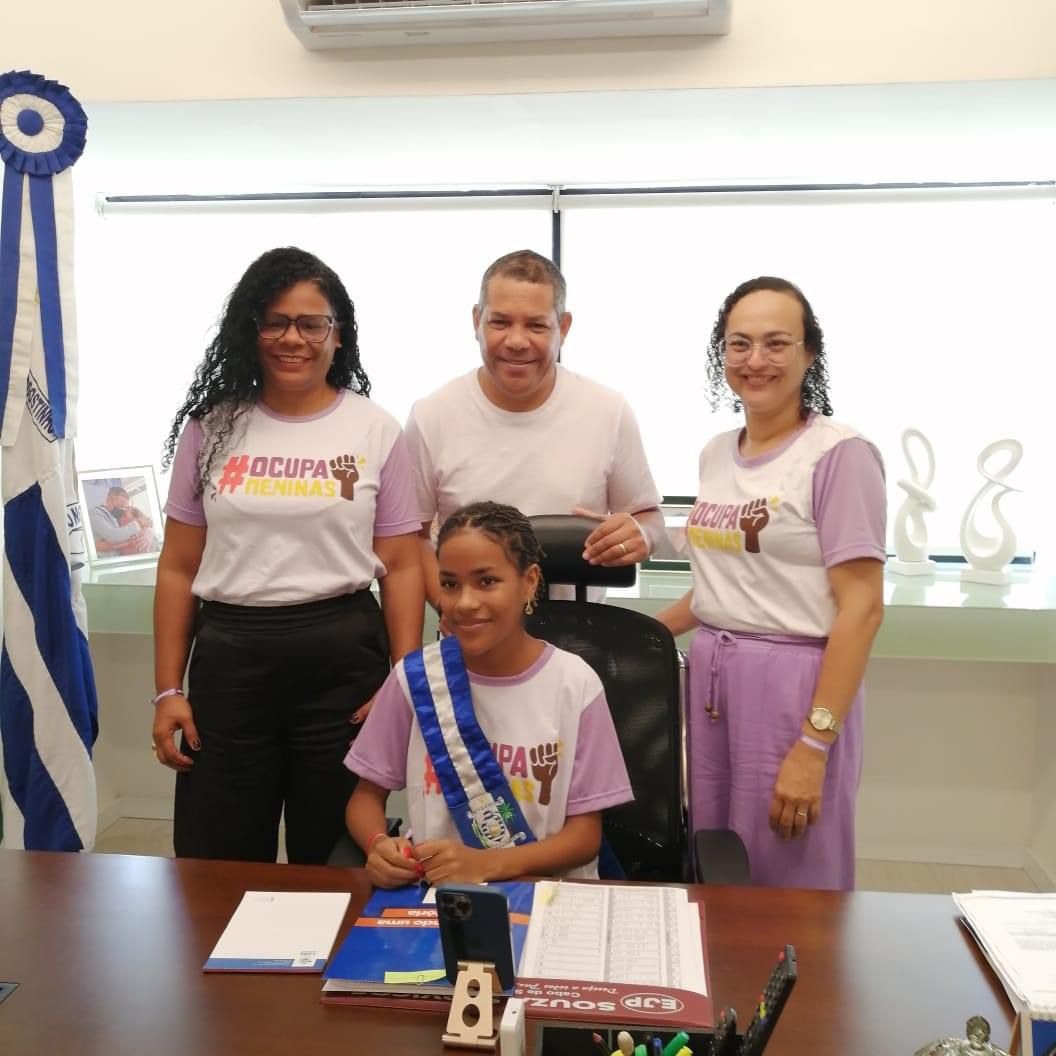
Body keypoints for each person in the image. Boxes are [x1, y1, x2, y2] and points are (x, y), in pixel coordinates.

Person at [152, 246, 424, 865]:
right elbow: (177, 568)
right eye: (273, 321)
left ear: (337, 334)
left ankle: (331, 965)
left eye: (311, 323)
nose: (291, 338)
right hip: (230, 661)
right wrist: (167, 689)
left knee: (335, 855)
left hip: (342, 661)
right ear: (250, 329)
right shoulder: (212, 427)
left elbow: (403, 566)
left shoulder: (375, 429)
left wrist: (402, 679)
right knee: (216, 857)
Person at [656, 276, 885, 891]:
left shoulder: (839, 453)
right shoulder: (714, 453)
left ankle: (804, 988)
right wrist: (640, 636)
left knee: (789, 860)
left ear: (810, 353)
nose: (756, 360)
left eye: (776, 343)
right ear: (721, 354)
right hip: (711, 680)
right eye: (739, 344)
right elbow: (724, 589)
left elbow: (861, 609)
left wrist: (815, 743)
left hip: (795, 685)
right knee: (717, 853)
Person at [344, 501, 633, 888]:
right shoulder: (415, 679)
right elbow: (364, 799)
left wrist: (487, 864)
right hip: (438, 897)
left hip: (548, 892)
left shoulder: (575, 684)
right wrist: (378, 845)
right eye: (449, 584)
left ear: (529, 582)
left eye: (486, 581)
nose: (464, 602)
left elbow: (584, 838)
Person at [404, 249, 664, 608]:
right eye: (499, 322)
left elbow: (647, 517)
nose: (516, 341)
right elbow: (411, 538)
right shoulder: (432, 415)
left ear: (564, 327)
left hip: (582, 638)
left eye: (536, 325)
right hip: (471, 639)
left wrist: (642, 535)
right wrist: (453, 611)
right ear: (476, 321)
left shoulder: (607, 411)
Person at [89, 486, 157, 556]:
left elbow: (147, 521)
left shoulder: (115, 516)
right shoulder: (95, 513)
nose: (123, 510)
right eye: (120, 506)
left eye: (125, 507)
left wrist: (149, 532)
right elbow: (114, 536)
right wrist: (139, 524)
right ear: (108, 500)